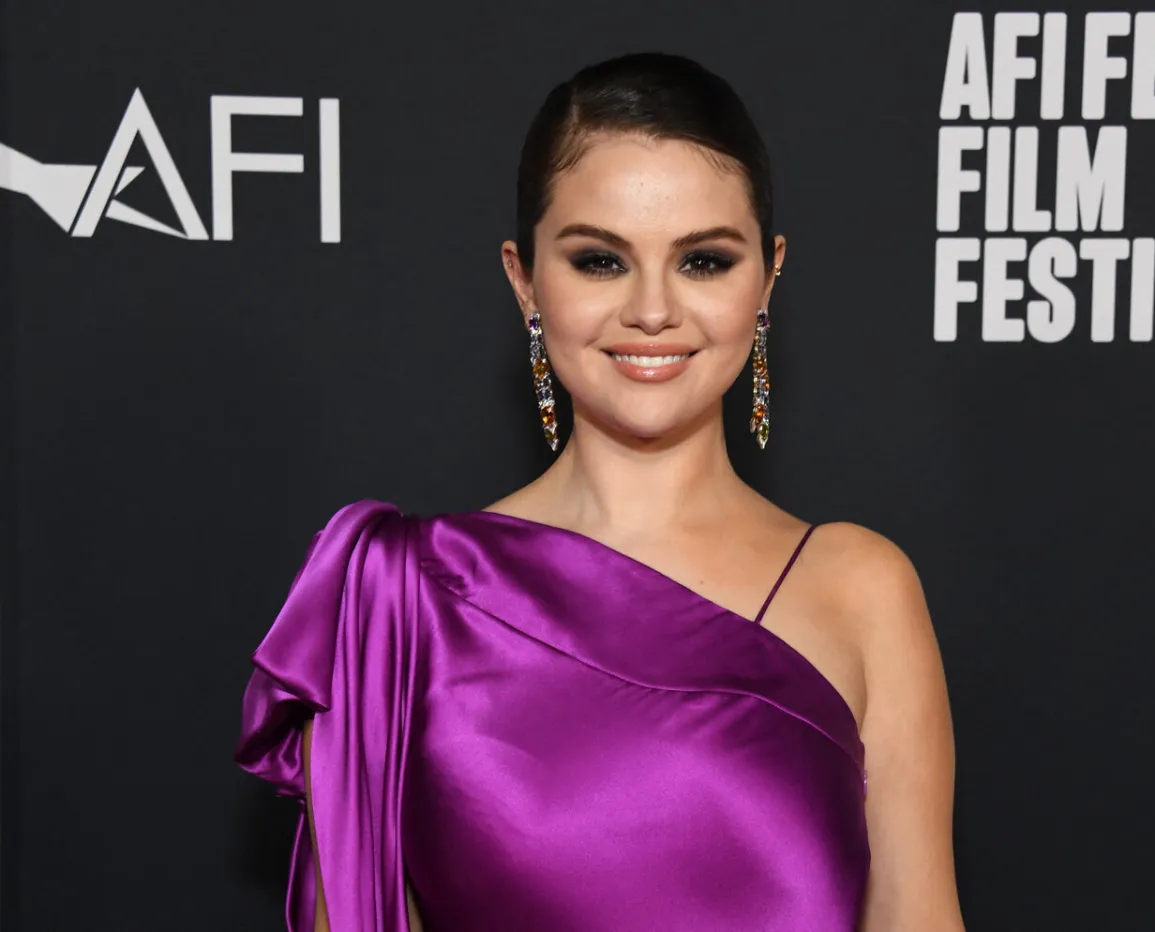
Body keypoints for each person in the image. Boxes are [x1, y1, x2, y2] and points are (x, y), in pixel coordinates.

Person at [235, 51, 965, 932]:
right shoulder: (396, 600)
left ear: (768, 276)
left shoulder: (863, 590)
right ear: (524, 279)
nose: (652, 310)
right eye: (599, 261)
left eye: (702, 261)